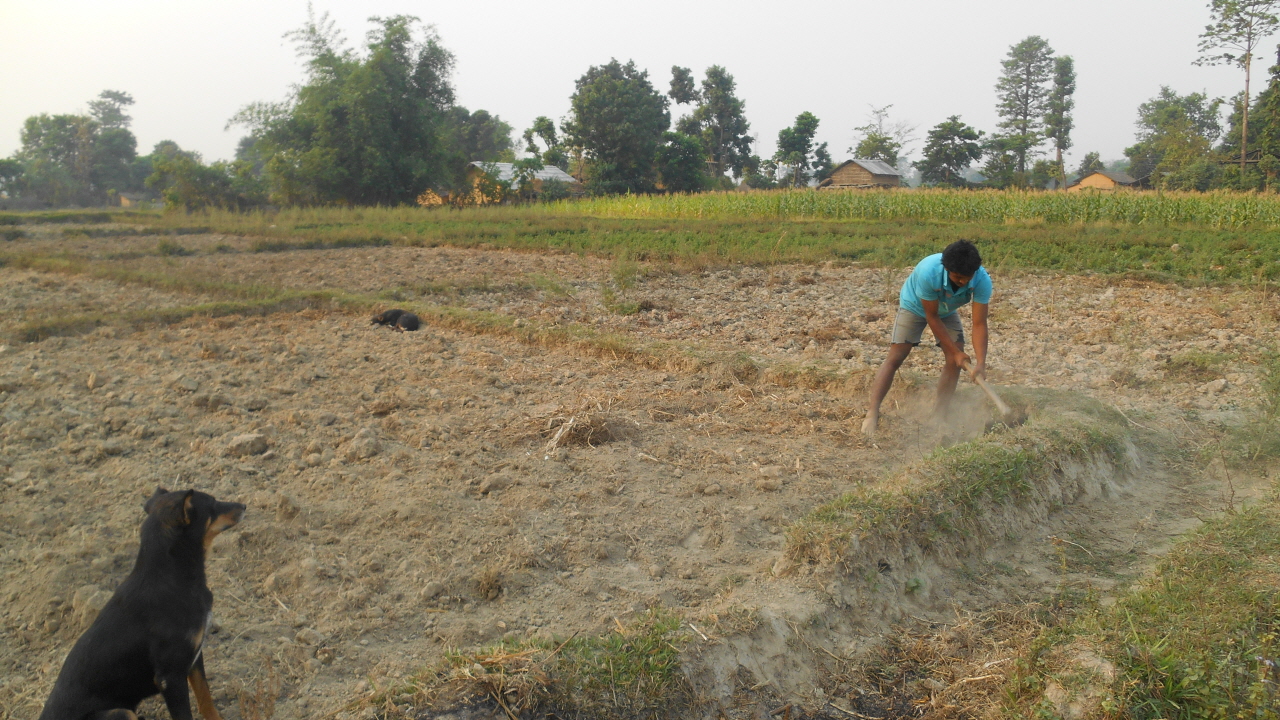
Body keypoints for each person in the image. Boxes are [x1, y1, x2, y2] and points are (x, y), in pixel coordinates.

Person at [861, 240, 991, 437]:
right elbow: (932, 317)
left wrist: (981, 362)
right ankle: (872, 412)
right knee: (896, 356)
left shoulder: (982, 280)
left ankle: (939, 416)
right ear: (947, 269)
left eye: (967, 278)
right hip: (914, 306)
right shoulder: (928, 271)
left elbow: (979, 323)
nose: (963, 282)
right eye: (958, 277)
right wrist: (955, 352)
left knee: (953, 362)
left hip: (946, 309)